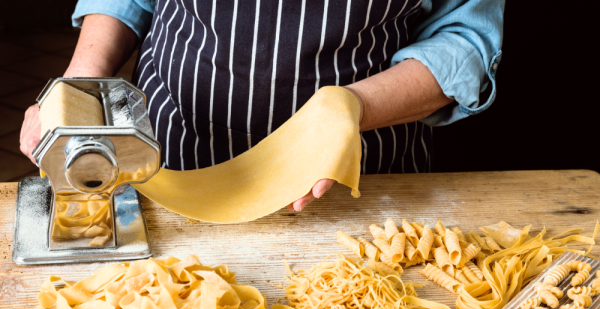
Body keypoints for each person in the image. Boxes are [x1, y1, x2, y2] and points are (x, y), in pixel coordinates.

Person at [20, 0, 504, 211]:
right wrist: (80, 90)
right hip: (171, 156)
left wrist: (351, 107)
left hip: (356, 179)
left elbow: (465, 40)